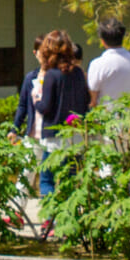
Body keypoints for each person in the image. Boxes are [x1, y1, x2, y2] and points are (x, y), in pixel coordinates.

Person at [28, 29, 91, 194]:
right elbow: (85, 103)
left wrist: (36, 99)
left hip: (54, 136)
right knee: (70, 179)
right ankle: (69, 215)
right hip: (75, 135)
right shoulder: (78, 73)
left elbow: (45, 107)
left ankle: (50, 217)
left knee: (47, 179)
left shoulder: (52, 75)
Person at [86, 16, 130, 105]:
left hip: (106, 116)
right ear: (123, 37)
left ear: (102, 41)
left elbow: (93, 100)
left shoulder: (97, 64)